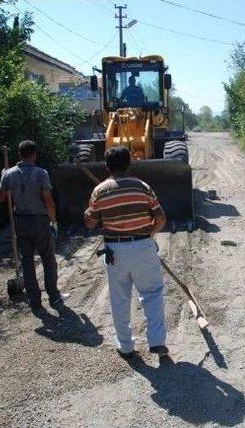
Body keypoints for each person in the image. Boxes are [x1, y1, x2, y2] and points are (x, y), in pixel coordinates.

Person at [84, 146, 168, 360]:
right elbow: (161, 219)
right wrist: (148, 235)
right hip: (143, 246)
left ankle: (126, 346)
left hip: (115, 251)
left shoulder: (99, 191)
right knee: (152, 295)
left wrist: (90, 211)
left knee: (119, 298)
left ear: (106, 166)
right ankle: (157, 342)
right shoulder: (143, 187)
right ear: (129, 164)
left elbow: (90, 223)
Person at [0, 140, 62, 311]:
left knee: (27, 262)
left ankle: (34, 300)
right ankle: (53, 297)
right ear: (34, 154)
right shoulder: (41, 173)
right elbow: (48, 200)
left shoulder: (9, 174)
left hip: (21, 222)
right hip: (39, 221)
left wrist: (2, 177)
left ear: (19, 155)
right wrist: (53, 221)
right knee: (48, 260)